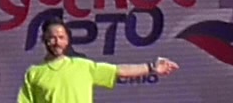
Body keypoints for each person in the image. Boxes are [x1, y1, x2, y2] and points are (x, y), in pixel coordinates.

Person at [18, 20, 180, 103]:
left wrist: (152, 67)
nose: (57, 42)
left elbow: (119, 71)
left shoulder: (83, 66)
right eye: (52, 38)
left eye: (61, 37)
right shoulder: (34, 73)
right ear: (44, 39)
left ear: (67, 40)